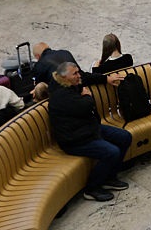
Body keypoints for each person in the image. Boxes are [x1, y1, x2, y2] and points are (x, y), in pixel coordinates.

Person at [49, 62, 130, 202]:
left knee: (125, 137)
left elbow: (87, 78)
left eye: (78, 72)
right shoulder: (60, 95)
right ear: (64, 77)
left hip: (88, 129)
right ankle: (92, 188)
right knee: (111, 152)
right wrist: (87, 96)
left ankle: (109, 177)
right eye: (75, 74)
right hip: (74, 139)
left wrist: (106, 79)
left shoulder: (72, 83)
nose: (78, 76)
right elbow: (84, 106)